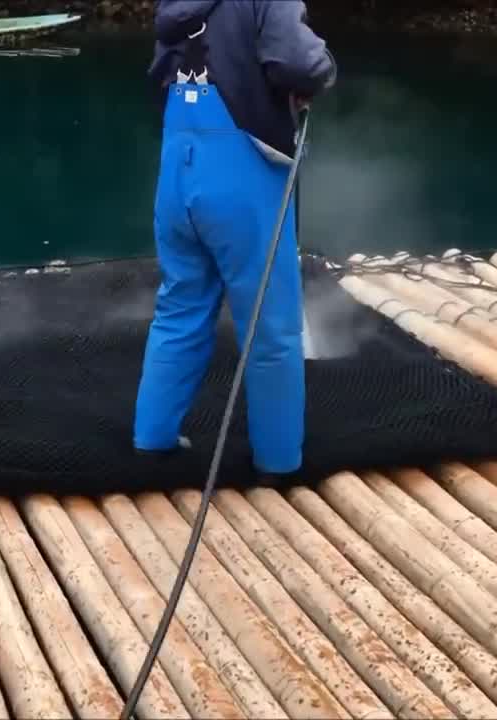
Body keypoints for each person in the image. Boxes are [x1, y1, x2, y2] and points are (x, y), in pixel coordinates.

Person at [133, 0, 337, 478]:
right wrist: (325, 69)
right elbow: (299, 63)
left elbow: (161, 72)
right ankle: (279, 461)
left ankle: (152, 439)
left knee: (180, 306)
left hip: (178, 168)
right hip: (241, 176)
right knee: (272, 326)